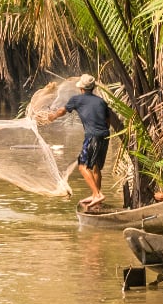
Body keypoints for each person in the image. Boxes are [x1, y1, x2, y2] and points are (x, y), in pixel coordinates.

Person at [49, 74, 115, 208]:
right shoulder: (101, 101)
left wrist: (53, 116)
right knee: (96, 167)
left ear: (81, 89)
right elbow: (108, 121)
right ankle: (97, 198)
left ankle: (97, 194)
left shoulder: (77, 99)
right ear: (92, 88)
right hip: (105, 135)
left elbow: (63, 110)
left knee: (82, 166)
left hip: (92, 136)